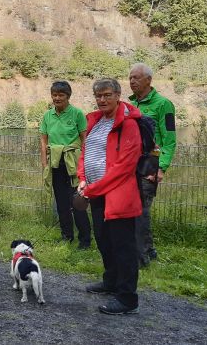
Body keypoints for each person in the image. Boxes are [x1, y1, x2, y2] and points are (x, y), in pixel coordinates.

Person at [77, 77, 143, 315]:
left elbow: (124, 167)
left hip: (119, 195)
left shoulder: (128, 125)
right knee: (104, 241)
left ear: (118, 95)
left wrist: (92, 189)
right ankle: (111, 282)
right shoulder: (96, 122)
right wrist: (83, 177)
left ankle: (127, 298)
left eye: (106, 95)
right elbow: (86, 152)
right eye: (98, 96)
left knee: (123, 246)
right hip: (96, 192)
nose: (102, 100)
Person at [129, 62, 176, 268]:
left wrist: (161, 167)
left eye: (136, 78)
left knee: (141, 210)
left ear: (149, 80)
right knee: (133, 208)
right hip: (130, 164)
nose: (132, 81)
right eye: (130, 78)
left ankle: (141, 258)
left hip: (149, 163)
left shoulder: (163, 104)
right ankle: (148, 249)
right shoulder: (130, 105)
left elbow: (170, 138)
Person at [39, 81, 91, 248]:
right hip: (55, 163)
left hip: (73, 163)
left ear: (68, 96)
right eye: (54, 94)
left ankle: (85, 240)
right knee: (61, 202)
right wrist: (44, 163)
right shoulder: (47, 116)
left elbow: (85, 140)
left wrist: (83, 165)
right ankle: (66, 236)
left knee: (77, 201)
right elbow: (43, 141)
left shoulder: (77, 114)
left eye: (61, 95)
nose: (57, 98)